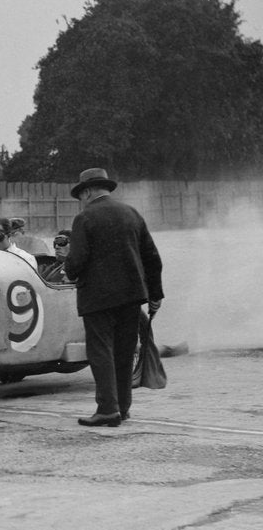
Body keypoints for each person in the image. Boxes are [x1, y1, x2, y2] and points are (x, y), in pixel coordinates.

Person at [64, 167, 163, 427]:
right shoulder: (132, 214)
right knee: (124, 351)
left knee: (101, 353)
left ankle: (108, 409)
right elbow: (152, 259)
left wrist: (68, 270)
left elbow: (76, 262)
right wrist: (156, 295)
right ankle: (123, 407)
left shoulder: (85, 219)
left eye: (80, 196)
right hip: (131, 296)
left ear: (87, 192)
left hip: (97, 299)